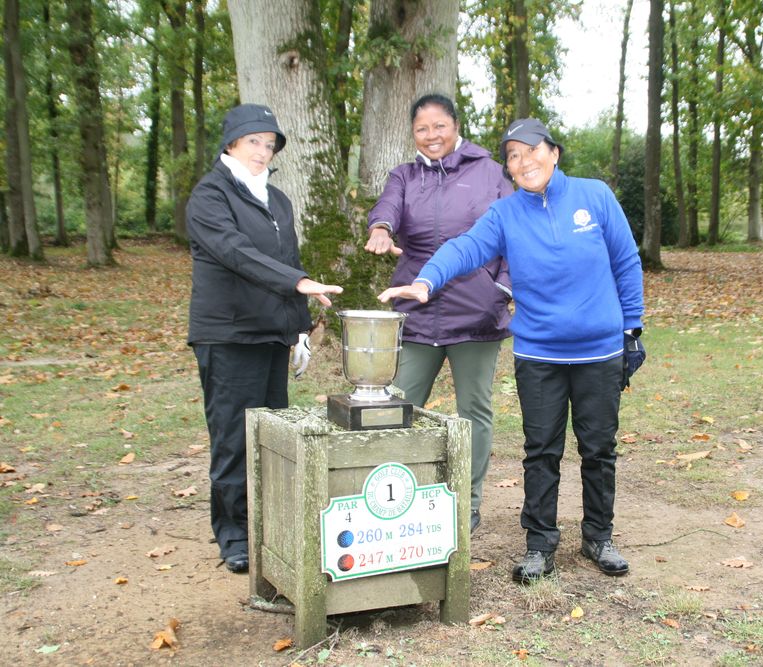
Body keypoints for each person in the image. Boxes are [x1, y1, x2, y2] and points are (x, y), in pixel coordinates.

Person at [378, 118, 644, 582]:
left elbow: (625, 261)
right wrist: (425, 280)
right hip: (539, 353)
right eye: (513, 157)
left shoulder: (594, 196)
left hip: (599, 352)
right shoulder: (505, 214)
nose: (523, 162)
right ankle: (540, 544)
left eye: (531, 151)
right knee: (541, 450)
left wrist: (632, 329)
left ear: (553, 152)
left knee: (598, 449)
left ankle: (598, 536)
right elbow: (463, 247)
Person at [187, 103, 343, 574]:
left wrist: (299, 330)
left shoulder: (277, 200)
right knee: (235, 438)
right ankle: (234, 535)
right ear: (231, 142)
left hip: (272, 336)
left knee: (272, 435)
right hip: (229, 336)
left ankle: (271, 525)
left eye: (270, 144)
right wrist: (299, 282)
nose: (263, 151)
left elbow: (286, 256)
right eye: (254, 141)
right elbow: (237, 254)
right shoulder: (209, 195)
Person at [365, 93, 514, 534]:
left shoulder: (491, 173)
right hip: (417, 309)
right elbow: (387, 207)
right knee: (401, 407)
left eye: (439, 126)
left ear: (455, 125)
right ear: (413, 134)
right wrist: (380, 228)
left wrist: (501, 287)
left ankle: (466, 502)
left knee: (474, 410)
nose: (431, 136)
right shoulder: (404, 175)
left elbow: (513, 232)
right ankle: (398, 496)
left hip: (475, 313)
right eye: (422, 129)